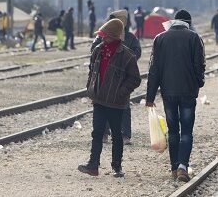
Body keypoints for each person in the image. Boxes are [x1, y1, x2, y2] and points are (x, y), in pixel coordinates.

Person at [145, 10, 206, 182]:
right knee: (186, 131)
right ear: (188, 22)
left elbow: (154, 69)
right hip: (188, 93)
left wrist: (150, 96)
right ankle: (182, 167)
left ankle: (173, 167)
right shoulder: (194, 38)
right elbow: (199, 65)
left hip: (168, 93)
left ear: (175, 21)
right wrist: (198, 83)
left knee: (173, 131)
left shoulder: (160, 38)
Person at [78, 19, 142, 178]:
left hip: (116, 103)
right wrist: (90, 88)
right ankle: (93, 165)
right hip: (99, 100)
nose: (102, 39)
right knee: (97, 133)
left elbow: (135, 79)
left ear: (113, 36)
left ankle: (117, 167)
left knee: (117, 135)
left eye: (104, 36)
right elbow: (92, 71)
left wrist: (121, 92)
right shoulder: (98, 51)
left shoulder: (126, 55)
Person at [92, 9, 142, 144]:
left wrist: (127, 62)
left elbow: (137, 51)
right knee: (103, 106)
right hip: (104, 78)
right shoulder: (102, 36)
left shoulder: (130, 38)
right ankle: (103, 133)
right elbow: (94, 51)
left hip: (122, 78)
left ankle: (125, 135)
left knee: (124, 106)